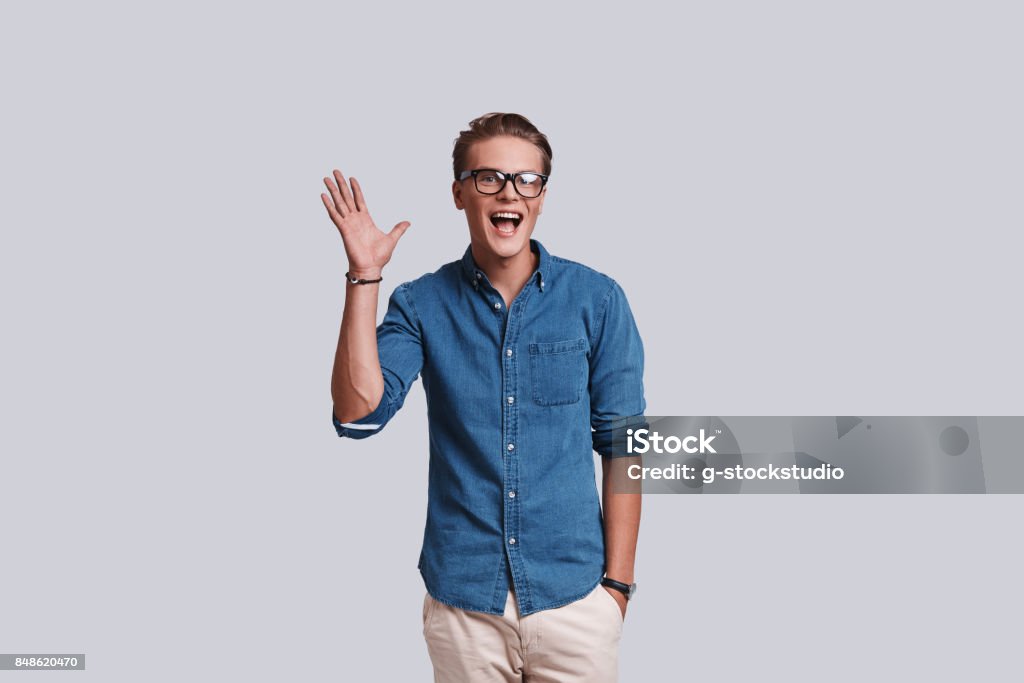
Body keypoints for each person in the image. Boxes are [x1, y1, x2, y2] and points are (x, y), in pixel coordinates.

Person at [322, 113, 646, 682]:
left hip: (575, 601)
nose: (509, 193)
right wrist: (364, 276)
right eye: (489, 178)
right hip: (465, 606)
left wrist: (616, 588)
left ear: (542, 197)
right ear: (459, 193)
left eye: (526, 180)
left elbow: (625, 447)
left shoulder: (598, 300)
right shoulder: (421, 305)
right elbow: (358, 413)